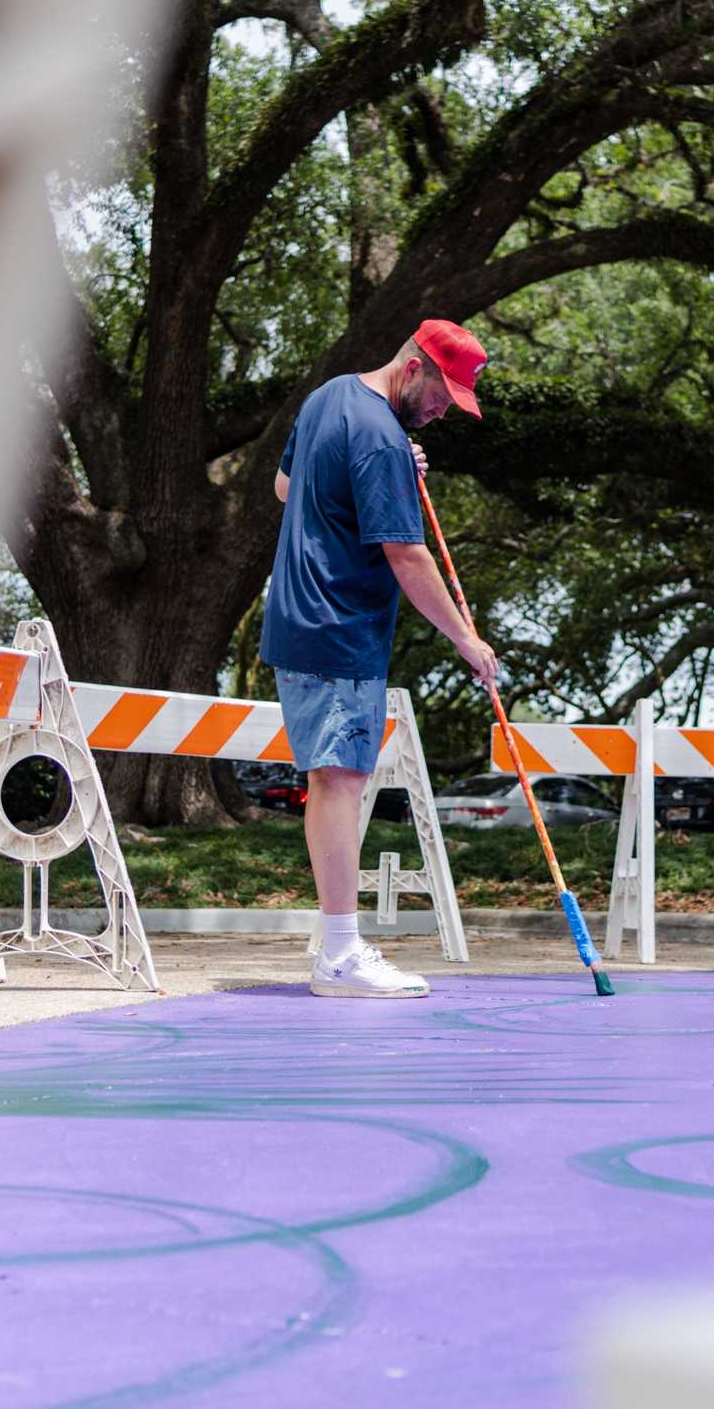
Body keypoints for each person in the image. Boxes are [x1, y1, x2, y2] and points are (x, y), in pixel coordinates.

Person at [261, 319, 500, 998]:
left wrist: (395, 465)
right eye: (442, 396)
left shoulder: (328, 398)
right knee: (339, 780)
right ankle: (339, 954)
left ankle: (337, 946)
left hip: (300, 621)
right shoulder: (381, 436)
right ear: (415, 366)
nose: (443, 411)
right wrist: (466, 639)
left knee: (335, 778)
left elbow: (287, 488)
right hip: (339, 627)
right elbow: (408, 556)